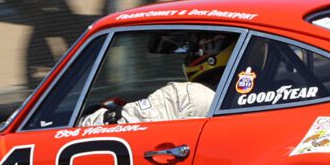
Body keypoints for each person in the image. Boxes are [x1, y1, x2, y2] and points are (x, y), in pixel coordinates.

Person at [79, 32, 236, 125]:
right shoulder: (246, 95)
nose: (190, 51)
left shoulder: (185, 97)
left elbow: (119, 122)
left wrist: (106, 113)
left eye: (194, 45)